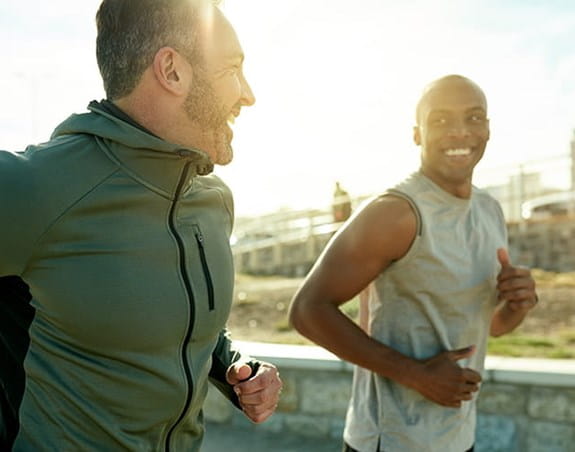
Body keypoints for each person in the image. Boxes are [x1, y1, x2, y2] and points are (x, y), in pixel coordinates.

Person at [0, 0, 282, 450]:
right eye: (232, 69)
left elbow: (179, 321)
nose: (247, 94)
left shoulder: (213, 201)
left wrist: (235, 365)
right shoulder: (34, 187)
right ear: (171, 70)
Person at [289, 74, 538, 452]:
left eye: (473, 117)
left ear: (487, 128)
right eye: (440, 120)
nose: (459, 132)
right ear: (417, 134)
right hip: (389, 441)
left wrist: (518, 305)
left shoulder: (489, 211)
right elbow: (307, 311)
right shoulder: (397, 213)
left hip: (457, 438)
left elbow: (488, 326)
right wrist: (416, 375)